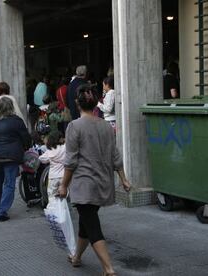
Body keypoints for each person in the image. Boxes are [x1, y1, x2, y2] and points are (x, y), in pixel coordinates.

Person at [58, 84, 131, 276]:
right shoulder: (106, 126)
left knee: (92, 225)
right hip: (103, 183)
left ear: (77, 103)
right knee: (86, 222)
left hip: (84, 185)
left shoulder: (74, 126)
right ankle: (77, 257)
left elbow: (70, 161)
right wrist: (123, 179)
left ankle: (109, 268)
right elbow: (115, 155)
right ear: (95, 104)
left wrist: (64, 185)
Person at [0, 97, 31, 222]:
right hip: (10, 156)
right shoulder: (16, 121)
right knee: (9, 183)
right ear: (11, 107)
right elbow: (25, 137)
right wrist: (27, 147)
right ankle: (3, 210)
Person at [39, 131, 66, 203]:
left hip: (53, 176)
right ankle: (64, 211)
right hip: (64, 176)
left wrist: (51, 160)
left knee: (52, 197)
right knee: (64, 197)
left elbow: (41, 159)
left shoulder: (50, 150)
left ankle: (54, 212)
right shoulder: (65, 147)